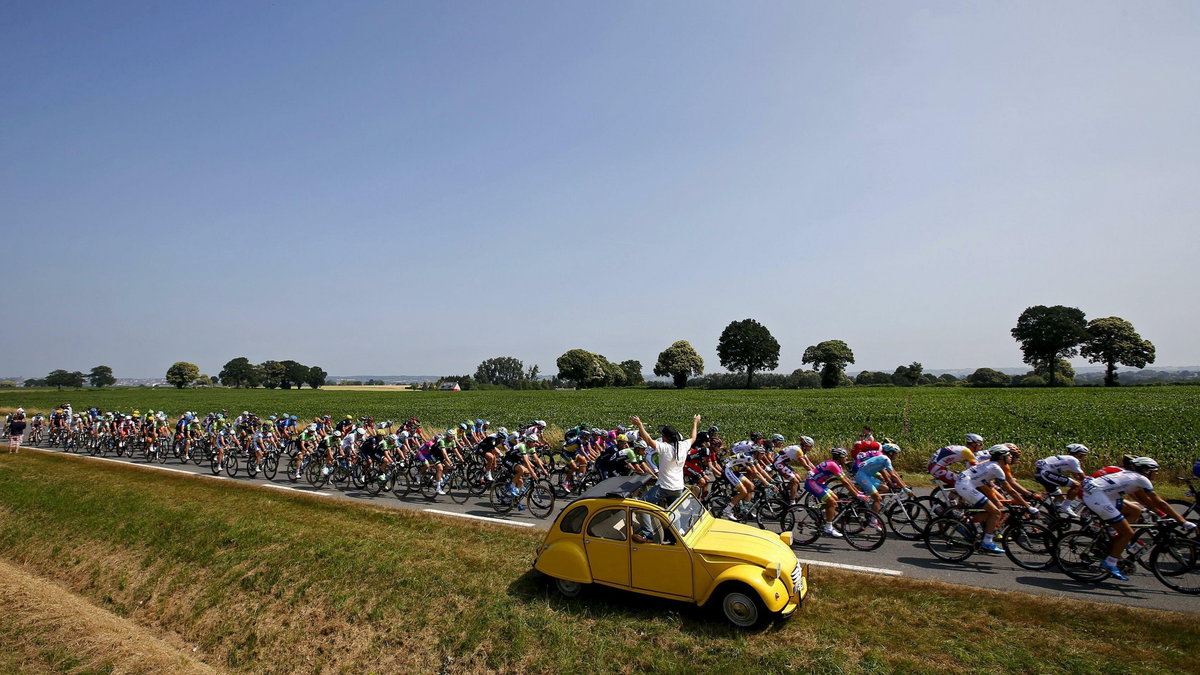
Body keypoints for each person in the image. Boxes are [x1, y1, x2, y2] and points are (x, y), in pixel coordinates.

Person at [1081, 456, 1196, 580]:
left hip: (1102, 493)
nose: (1157, 473)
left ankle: (1114, 537)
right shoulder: (1141, 479)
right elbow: (1160, 502)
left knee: (1135, 510)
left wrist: (1158, 513)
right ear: (1147, 470)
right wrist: (1183, 522)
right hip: (1096, 496)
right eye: (1155, 470)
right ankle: (1110, 562)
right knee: (1128, 533)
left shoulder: (1129, 474)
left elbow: (1145, 499)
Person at [953, 446, 1036, 553]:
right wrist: (1028, 507)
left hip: (968, 483)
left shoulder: (993, 464)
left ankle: (967, 523)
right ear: (1002, 457)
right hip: (965, 485)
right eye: (1008, 455)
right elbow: (1011, 491)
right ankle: (986, 542)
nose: (1011, 457)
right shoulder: (996, 468)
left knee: (995, 508)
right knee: (996, 513)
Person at [631, 414, 700, 540]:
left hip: (664, 487)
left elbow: (648, 440)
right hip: (678, 487)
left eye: (662, 435)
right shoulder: (683, 445)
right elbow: (694, 437)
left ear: (665, 438)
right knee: (674, 512)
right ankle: (677, 535)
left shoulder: (664, 448)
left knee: (642, 504)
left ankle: (647, 533)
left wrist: (640, 425)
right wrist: (695, 422)